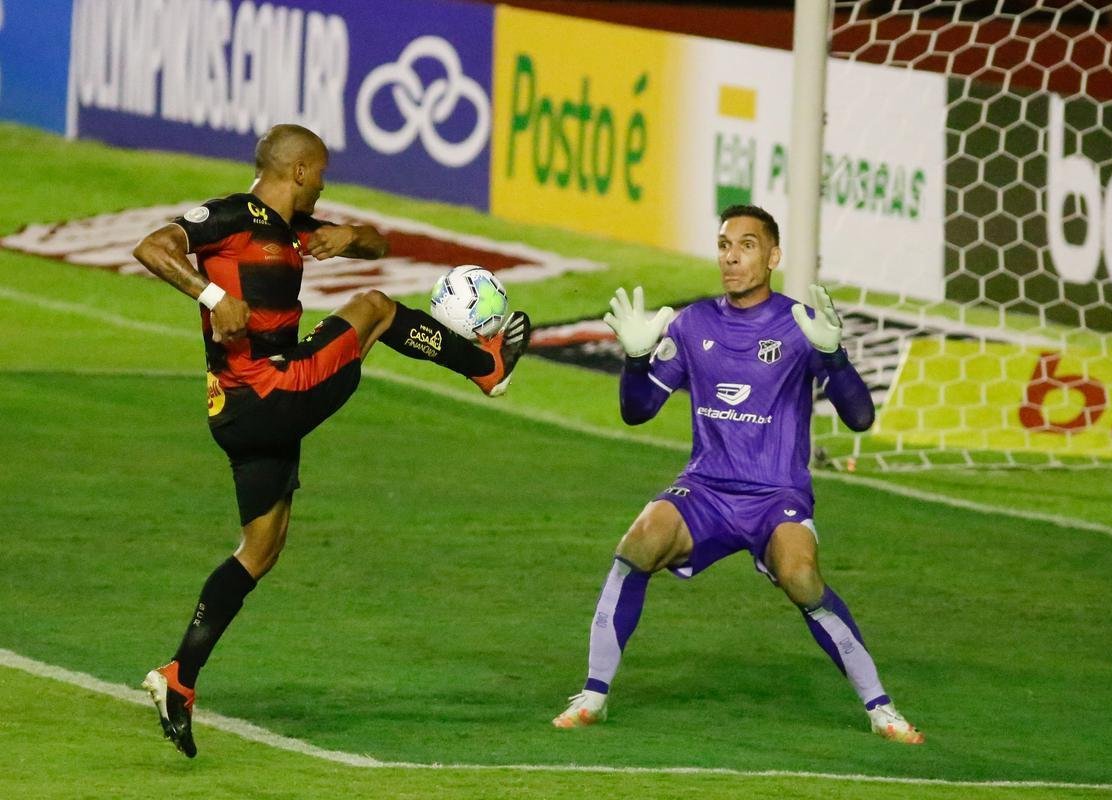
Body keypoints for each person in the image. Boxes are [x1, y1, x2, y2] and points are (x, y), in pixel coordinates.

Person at [132, 123, 531, 758]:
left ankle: (179, 676)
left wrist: (353, 236)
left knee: (259, 549)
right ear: (297, 171)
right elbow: (151, 247)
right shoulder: (231, 217)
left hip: (245, 412)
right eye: (320, 175)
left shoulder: (293, 231)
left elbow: (376, 245)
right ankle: (486, 367)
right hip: (265, 394)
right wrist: (210, 292)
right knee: (372, 308)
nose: (323, 184)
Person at [551, 204, 922, 744]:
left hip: (777, 495)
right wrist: (634, 360)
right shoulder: (694, 322)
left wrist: (835, 357)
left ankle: (880, 707)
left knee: (801, 579)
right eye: (724, 244)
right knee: (637, 545)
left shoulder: (800, 326)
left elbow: (861, 417)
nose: (731, 256)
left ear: (773, 257)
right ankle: (593, 696)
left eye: (746, 245)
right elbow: (638, 412)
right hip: (706, 489)